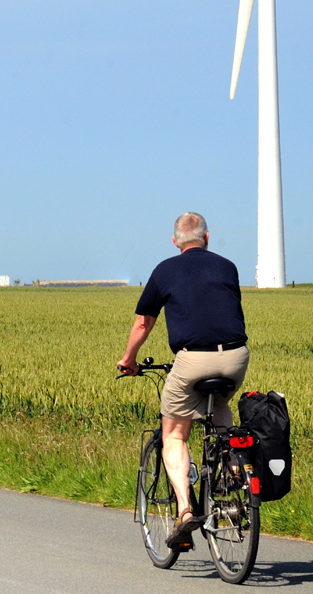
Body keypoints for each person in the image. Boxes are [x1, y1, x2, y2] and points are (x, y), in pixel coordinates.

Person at [117, 212, 250, 551]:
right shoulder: (227, 266)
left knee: (174, 434)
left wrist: (129, 360)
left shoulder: (165, 270)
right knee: (220, 406)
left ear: (175, 242)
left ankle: (186, 510)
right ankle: (234, 472)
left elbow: (143, 324)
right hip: (236, 356)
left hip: (192, 359)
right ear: (207, 238)